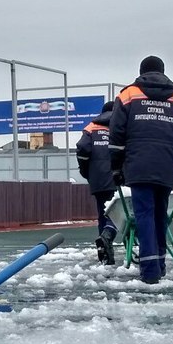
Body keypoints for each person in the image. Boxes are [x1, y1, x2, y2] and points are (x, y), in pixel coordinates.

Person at [108, 55, 173, 284]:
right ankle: (159, 264)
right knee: (161, 215)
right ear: (163, 72)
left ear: (141, 72)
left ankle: (150, 271)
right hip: (167, 166)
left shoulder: (128, 95)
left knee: (144, 215)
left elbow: (117, 134)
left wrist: (116, 167)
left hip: (138, 166)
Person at [76, 100, 119, 265]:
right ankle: (108, 235)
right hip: (119, 179)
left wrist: (86, 171)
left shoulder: (91, 128)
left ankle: (105, 254)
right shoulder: (121, 126)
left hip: (98, 180)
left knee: (103, 214)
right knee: (120, 213)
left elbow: (83, 149)